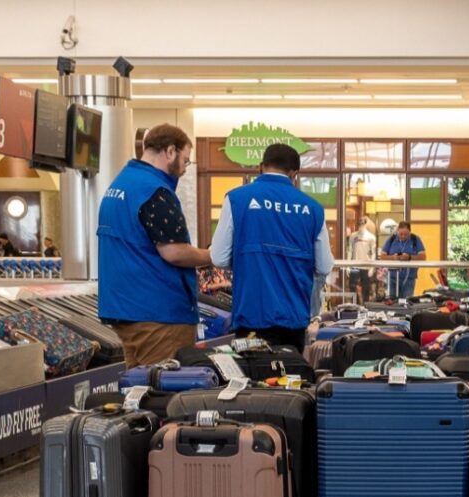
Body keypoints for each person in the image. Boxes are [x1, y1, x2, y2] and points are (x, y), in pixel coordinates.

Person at [97, 123, 211, 367]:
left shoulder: (120, 184)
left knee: (141, 392)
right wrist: (214, 256)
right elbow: (174, 252)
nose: (184, 169)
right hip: (159, 315)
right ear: (170, 151)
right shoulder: (154, 190)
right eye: (185, 160)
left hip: (126, 310)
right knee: (166, 395)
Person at [210, 143, 334, 352]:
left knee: (255, 378)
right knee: (292, 377)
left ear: (260, 166)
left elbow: (219, 258)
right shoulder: (313, 208)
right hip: (294, 316)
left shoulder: (236, 199)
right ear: (295, 173)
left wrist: (248, 259)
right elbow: (323, 266)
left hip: (251, 313)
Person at [380, 221, 426, 299]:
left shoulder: (415, 239)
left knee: (406, 302)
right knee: (392, 302)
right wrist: (393, 258)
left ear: (410, 232)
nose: (403, 236)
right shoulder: (391, 239)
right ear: (397, 231)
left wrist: (409, 257)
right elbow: (382, 256)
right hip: (392, 278)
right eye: (401, 234)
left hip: (409, 279)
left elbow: (423, 257)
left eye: (406, 234)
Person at [347, 217, 377, 303]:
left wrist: (372, 267)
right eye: (360, 223)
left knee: (366, 289)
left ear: (366, 224)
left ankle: (366, 306)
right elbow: (350, 250)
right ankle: (354, 306)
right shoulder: (353, 236)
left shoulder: (371, 237)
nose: (361, 225)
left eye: (363, 223)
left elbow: (373, 252)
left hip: (366, 266)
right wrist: (348, 265)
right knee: (352, 287)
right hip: (355, 265)